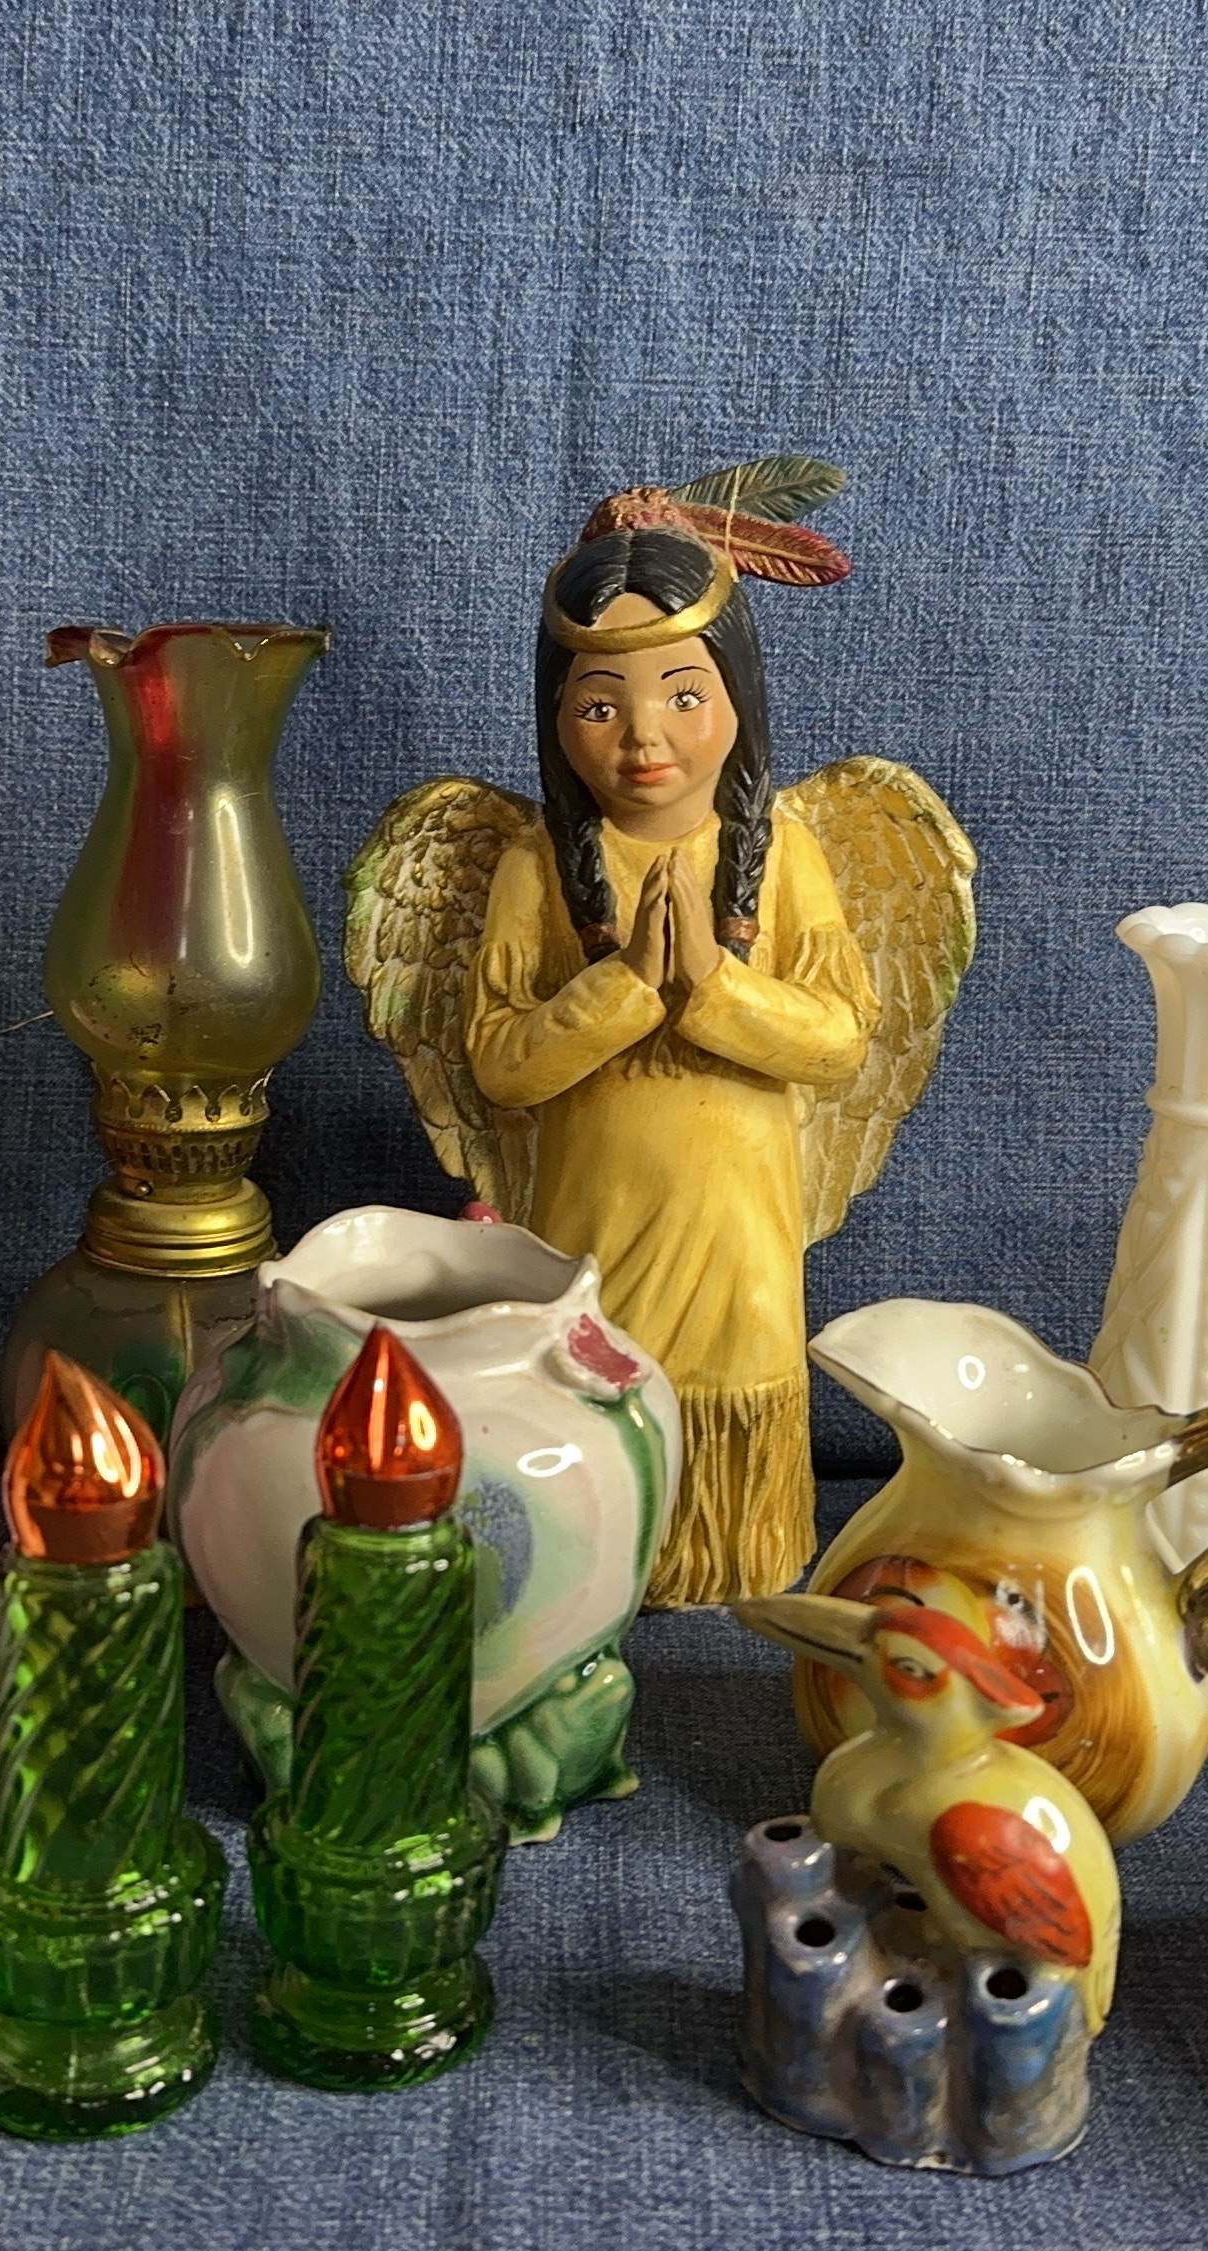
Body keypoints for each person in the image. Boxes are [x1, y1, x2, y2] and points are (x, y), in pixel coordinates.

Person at [466, 511, 876, 1605]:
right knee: (601, 1379)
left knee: (733, 1383)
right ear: (557, 717)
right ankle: (600, 1555)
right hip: (596, 1216)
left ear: (739, 697)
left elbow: (839, 1040)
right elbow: (501, 1066)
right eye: (601, 705)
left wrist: (711, 981)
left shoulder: (781, 855)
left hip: (739, 1229)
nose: (645, 737)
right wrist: (624, 986)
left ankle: (729, 1548)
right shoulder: (536, 865)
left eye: (684, 696)